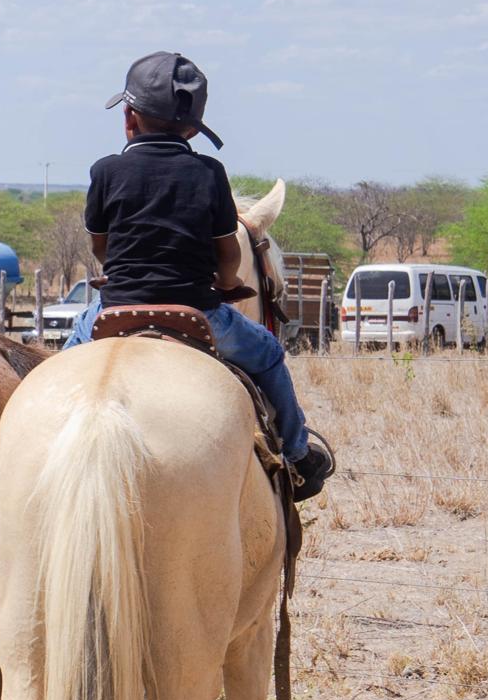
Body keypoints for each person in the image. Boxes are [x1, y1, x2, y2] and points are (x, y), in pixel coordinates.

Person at [62, 52, 332, 501]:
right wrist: (225, 282)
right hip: (197, 311)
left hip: (115, 308)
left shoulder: (105, 171)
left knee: (56, 367)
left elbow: (100, 247)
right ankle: (298, 454)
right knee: (268, 354)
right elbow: (228, 253)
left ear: (129, 118)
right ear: (192, 129)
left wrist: (122, 269)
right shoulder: (209, 173)